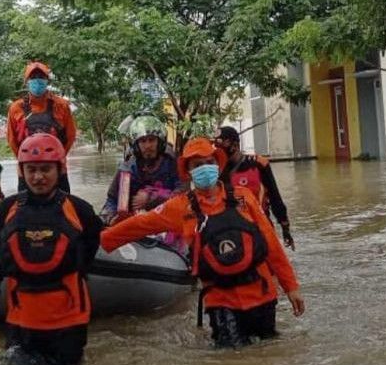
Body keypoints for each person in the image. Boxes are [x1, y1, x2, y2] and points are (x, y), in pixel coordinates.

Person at [100, 138, 305, 348]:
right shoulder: (179, 207)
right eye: (197, 165)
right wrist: (98, 241)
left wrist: (291, 287)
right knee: (232, 361)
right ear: (188, 171)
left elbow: (271, 243)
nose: (205, 168)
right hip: (221, 302)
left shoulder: (244, 198)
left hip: (262, 294)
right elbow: (138, 225)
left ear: (217, 165)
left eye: (209, 162)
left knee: (268, 356)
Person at [0, 133, 102, 365]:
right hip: (21, 323)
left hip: (68, 324)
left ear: (60, 170)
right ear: (22, 171)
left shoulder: (80, 210)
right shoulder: (5, 211)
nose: (38, 177)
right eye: (31, 169)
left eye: (46, 169)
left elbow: (90, 251)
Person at [214, 126, 294, 250]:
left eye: (222, 143)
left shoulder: (258, 164)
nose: (218, 148)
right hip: (234, 230)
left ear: (234, 144)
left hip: (261, 226)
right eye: (216, 144)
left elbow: (274, 196)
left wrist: (285, 228)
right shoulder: (216, 171)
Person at [6, 61, 76, 192]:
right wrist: (26, 161)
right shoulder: (16, 108)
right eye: (33, 77)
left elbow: (70, 136)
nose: (37, 80)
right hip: (27, 172)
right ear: (27, 81)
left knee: (63, 208)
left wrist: (57, 159)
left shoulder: (61, 105)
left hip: (56, 169)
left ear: (47, 80)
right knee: (25, 209)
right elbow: (12, 140)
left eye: (41, 77)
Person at [100, 115, 179, 226]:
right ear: (136, 146)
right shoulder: (127, 170)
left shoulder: (172, 163)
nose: (148, 146)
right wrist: (111, 218)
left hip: (167, 221)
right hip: (137, 224)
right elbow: (111, 201)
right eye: (143, 141)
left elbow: (184, 194)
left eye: (152, 140)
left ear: (160, 142)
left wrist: (152, 198)